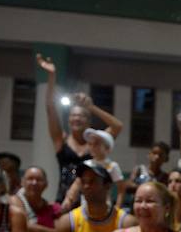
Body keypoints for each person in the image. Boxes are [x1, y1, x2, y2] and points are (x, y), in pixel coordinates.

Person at [36, 54, 123, 205]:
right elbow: (50, 109)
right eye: (73, 115)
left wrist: (91, 107)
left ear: (88, 121)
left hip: (92, 201)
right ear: (69, 120)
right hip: (65, 200)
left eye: (81, 116)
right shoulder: (61, 140)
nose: (76, 118)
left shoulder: (96, 141)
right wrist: (51, 77)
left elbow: (117, 126)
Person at [62, 129, 126, 211]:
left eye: (96, 144)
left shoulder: (112, 166)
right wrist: (68, 199)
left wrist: (118, 207)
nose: (92, 147)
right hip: (85, 206)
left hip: (104, 207)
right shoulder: (86, 164)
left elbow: (121, 189)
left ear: (107, 148)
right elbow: (77, 184)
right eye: (90, 144)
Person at [126, 141, 171, 207]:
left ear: (166, 158)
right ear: (149, 154)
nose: (157, 157)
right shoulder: (139, 170)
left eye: (160, 155)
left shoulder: (165, 177)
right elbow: (128, 186)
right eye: (154, 153)